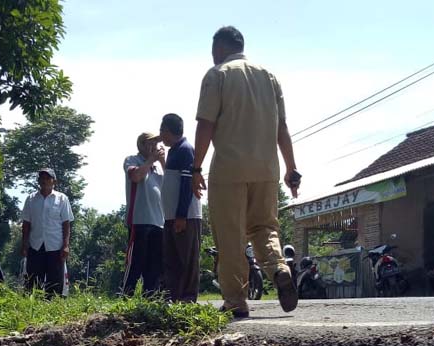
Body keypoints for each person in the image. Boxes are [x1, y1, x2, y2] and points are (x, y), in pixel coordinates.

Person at [191, 26, 301, 318]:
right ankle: (278, 267)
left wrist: (196, 167)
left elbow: (205, 124)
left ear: (221, 47)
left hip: (229, 170)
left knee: (230, 236)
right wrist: (291, 168)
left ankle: (236, 300)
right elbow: (283, 128)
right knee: (264, 227)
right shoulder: (269, 76)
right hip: (267, 169)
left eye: (214, 50)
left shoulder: (218, 75)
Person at [159, 113, 202, 303]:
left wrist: (181, 215)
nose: (161, 135)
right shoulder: (173, 151)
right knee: (172, 259)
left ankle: (188, 297)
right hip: (170, 216)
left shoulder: (185, 150)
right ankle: (174, 297)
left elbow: (187, 183)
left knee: (187, 259)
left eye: (162, 131)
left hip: (186, 216)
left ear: (168, 130)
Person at [122, 132, 165, 297]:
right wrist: (150, 161)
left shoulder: (157, 167)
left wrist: (161, 160)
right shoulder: (132, 160)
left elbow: (170, 184)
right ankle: (126, 297)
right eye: (150, 143)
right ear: (141, 144)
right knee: (135, 263)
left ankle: (150, 299)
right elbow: (136, 176)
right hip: (139, 221)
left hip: (158, 222)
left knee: (154, 266)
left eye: (156, 144)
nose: (154, 147)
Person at [21, 168, 74, 297]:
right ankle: (32, 307)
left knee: (55, 282)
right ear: (38, 181)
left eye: (47, 178)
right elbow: (26, 224)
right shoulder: (31, 199)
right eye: (42, 178)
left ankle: (52, 308)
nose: (44, 181)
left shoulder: (62, 199)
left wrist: (66, 245)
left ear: (53, 181)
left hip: (55, 246)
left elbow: (66, 224)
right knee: (33, 281)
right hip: (35, 245)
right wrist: (24, 244)